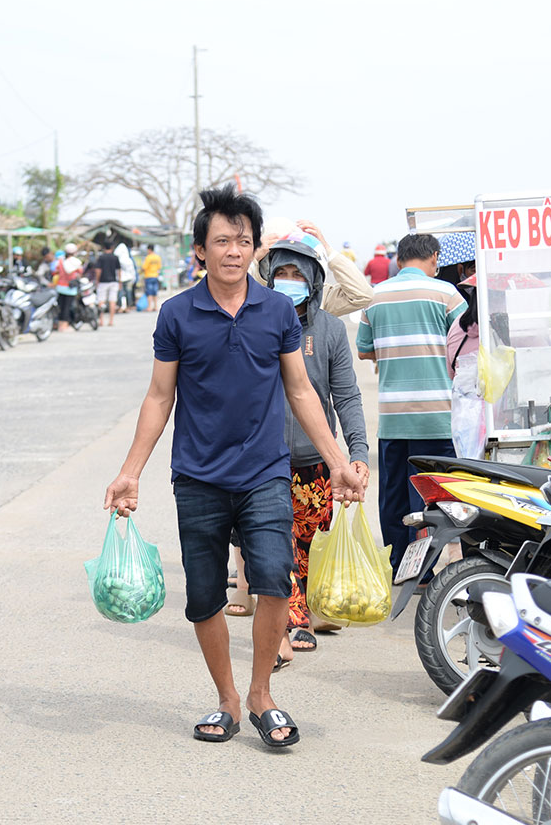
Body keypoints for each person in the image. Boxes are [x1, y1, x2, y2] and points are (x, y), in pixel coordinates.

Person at [103, 184, 365, 748]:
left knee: (273, 579)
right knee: (204, 596)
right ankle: (226, 699)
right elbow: (158, 396)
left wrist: (339, 461)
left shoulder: (276, 311)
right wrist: (131, 471)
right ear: (201, 250)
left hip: (264, 472)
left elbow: (300, 391)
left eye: (243, 241)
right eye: (221, 241)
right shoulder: (177, 314)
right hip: (196, 477)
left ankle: (261, 695)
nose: (233, 251)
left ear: (253, 249)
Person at [262, 235, 370, 656]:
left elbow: (346, 396)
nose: (289, 281)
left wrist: (356, 453)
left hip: (315, 461)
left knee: (308, 544)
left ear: (314, 282)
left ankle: (304, 607)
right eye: (281, 273)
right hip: (264, 461)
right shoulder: (256, 321)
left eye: (298, 275)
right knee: (275, 544)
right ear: (268, 278)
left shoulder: (329, 330)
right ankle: (292, 620)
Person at [356, 233, 466, 570]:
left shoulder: (374, 296)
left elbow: (363, 349)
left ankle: (399, 566)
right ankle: (427, 567)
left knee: (394, 496)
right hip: (437, 416)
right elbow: (467, 342)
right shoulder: (447, 293)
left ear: (399, 259)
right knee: (437, 495)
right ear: (434, 257)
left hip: (393, 416)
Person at [251, 218, 373, 317]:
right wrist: (253, 257)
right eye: (277, 256)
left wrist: (326, 249)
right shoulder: (248, 290)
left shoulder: (317, 296)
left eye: (297, 273)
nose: (286, 262)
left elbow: (362, 295)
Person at [54, 244, 85, 331]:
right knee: (67, 307)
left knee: (61, 307)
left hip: (60, 287)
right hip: (70, 288)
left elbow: (56, 271)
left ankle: (60, 325)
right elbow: (80, 272)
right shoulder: (76, 262)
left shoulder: (60, 261)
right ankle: (64, 326)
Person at [91, 244, 121, 327]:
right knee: (112, 301)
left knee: (101, 301)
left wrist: (97, 280)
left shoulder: (101, 257)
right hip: (113, 281)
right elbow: (118, 270)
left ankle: (101, 320)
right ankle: (111, 320)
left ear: (104, 248)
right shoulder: (115, 257)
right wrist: (120, 281)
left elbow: (98, 270)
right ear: (112, 248)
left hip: (103, 281)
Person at [114, 242, 137, 311]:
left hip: (121, 279)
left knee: (121, 293)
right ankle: (128, 306)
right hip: (129, 278)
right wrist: (134, 278)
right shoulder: (129, 260)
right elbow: (132, 270)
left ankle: (121, 306)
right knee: (128, 293)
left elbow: (117, 270)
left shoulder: (118, 260)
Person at [140, 245, 163, 310]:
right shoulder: (157, 257)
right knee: (155, 292)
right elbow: (159, 267)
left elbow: (144, 267)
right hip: (155, 276)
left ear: (149, 250)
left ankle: (149, 307)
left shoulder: (148, 257)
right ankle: (155, 306)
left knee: (149, 292)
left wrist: (140, 272)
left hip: (148, 276)